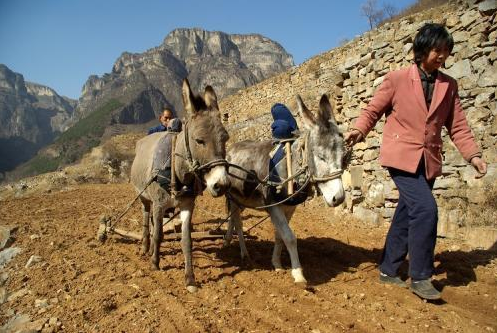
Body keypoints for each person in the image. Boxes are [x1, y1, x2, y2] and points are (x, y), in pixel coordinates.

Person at [344, 23, 487, 300]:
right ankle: (421, 276)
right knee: (426, 210)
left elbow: (457, 126)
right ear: (422, 49)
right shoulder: (397, 79)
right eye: (437, 50)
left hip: (428, 160)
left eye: (446, 51)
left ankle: (388, 269)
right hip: (400, 156)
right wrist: (359, 129)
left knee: (406, 214)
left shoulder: (449, 85)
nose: (442, 56)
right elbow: (373, 109)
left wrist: (474, 155)